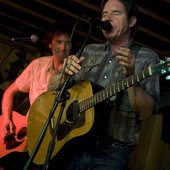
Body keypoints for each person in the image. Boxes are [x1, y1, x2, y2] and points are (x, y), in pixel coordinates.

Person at [49, 0, 160, 169]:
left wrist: (131, 77)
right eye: (104, 14)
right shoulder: (89, 50)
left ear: (131, 21)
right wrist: (63, 71)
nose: (107, 18)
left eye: (115, 13)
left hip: (113, 152)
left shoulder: (147, 57)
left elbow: (145, 113)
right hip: (74, 142)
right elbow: (51, 88)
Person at [0, 22, 72, 170]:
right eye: (59, 42)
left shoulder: (74, 73)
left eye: (68, 43)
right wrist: (7, 118)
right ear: (50, 44)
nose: (63, 48)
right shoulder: (37, 65)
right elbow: (9, 92)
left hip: (48, 141)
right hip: (22, 135)